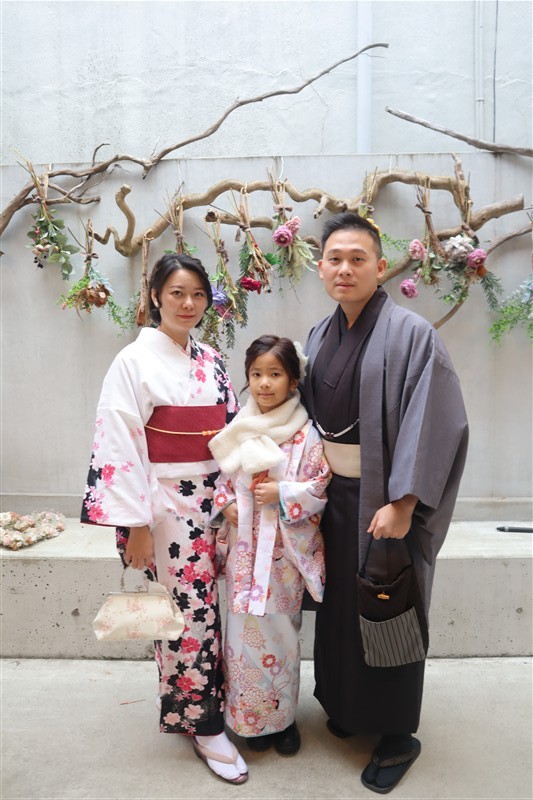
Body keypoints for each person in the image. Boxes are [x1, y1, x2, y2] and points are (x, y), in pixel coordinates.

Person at [301, 212, 468, 794]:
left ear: (380, 266)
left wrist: (405, 502)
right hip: (332, 498)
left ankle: (397, 733)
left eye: (358, 259)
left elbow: (435, 420)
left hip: (385, 499)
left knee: (388, 602)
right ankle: (348, 707)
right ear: (321, 267)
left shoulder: (412, 334)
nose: (345, 269)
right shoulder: (319, 335)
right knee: (341, 609)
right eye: (335, 259)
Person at [81, 252, 249, 785]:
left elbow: (231, 431)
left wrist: (236, 492)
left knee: (219, 609)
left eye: (198, 294)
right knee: (188, 617)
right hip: (164, 508)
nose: (188, 303)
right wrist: (135, 525)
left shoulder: (211, 358)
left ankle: (215, 703)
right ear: (155, 296)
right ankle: (203, 724)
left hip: (216, 501)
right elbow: (119, 443)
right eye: (176, 292)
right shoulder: (132, 362)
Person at [208, 335, 331, 757]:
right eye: (257, 374)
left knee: (282, 637)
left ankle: (283, 721)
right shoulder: (237, 430)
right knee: (241, 639)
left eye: (275, 374)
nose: (264, 383)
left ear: (293, 380)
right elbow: (218, 482)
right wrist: (225, 505)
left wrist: (282, 493)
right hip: (244, 555)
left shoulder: (305, 435)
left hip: (282, 560)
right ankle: (247, 721)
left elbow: (319, 487)